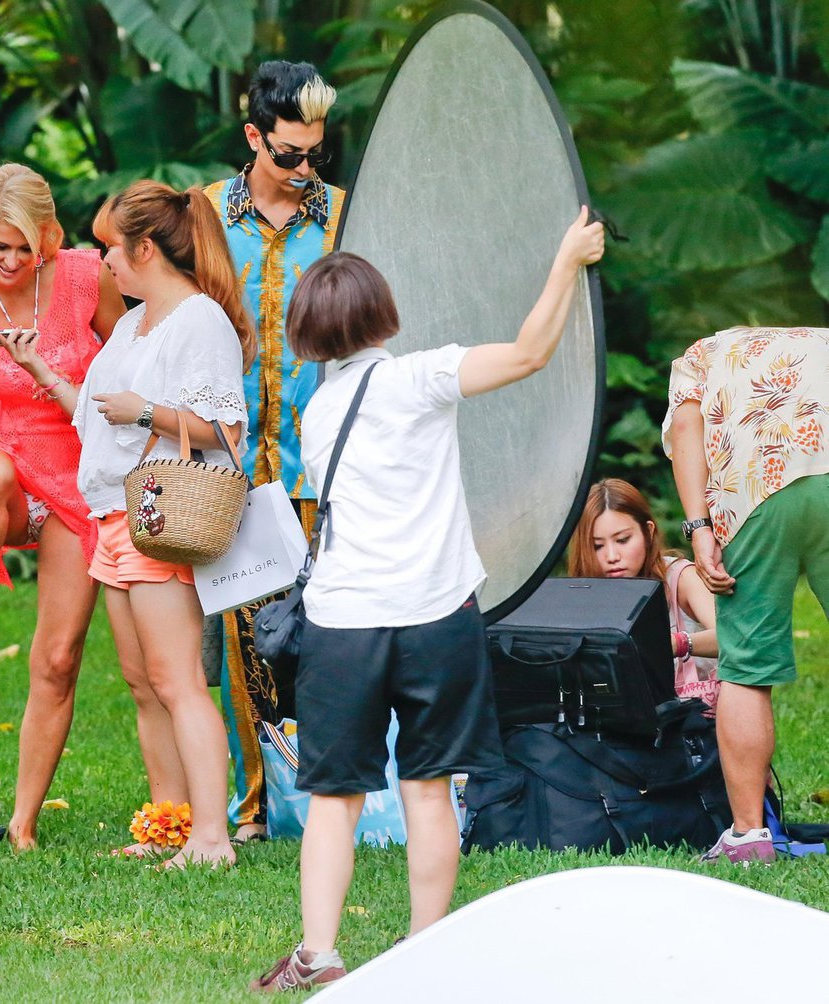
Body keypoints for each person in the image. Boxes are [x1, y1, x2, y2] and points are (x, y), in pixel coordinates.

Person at [252, 209, 605, 991]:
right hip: (435, 617)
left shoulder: (319, 411)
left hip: (343, 624)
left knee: (333, 798)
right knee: (427, 788)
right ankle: (424, 952)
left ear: (310, 333)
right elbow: (529, 353)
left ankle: (318, 953)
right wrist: (566, 260)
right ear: (383, 313)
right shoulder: (418, 378)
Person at [6, 180, 252, 869]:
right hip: (113, 517)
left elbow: (225, 430)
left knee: (177, 681)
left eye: (109, 247)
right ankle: (169, 827)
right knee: (144, 684)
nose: (101, 260)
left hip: (161, 513)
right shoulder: (132, 323)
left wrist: (145, 411)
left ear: (145, 248)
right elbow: (97, 416)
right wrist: (36, 367)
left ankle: (212, 839)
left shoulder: (197, 320)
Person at [0, 163, 124, 850]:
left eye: (23, 248)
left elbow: (131, 361)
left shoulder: (84, 277)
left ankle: (22, 824)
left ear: (48, 236)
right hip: (1, 477)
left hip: (78, 480)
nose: (9, 262)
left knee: (59, 657)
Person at [201, 60, 343, 841]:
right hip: (231, 463)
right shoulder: (201, 214)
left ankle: (332, 792)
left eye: (316, 153)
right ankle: (255, 805)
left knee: (332, 630)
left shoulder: (346, 215)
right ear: (253, 137)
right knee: (247, 640)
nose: (304, 168)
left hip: (326, 459)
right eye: (289, 153)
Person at [664, 326, 829, 865]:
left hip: (761, 485)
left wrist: (699, 527)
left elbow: (687, 428)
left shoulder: (699, 358)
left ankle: (748, 837)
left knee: (746, 666)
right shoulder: (823, 344)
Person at [567, 477, 719, 708]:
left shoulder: (679, 577)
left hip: (691, 718)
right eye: (597, 546)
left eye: (622, 540)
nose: (612, 556)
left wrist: (675, 644)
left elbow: (730, 637)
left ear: (648, 532)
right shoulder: (581, 594)